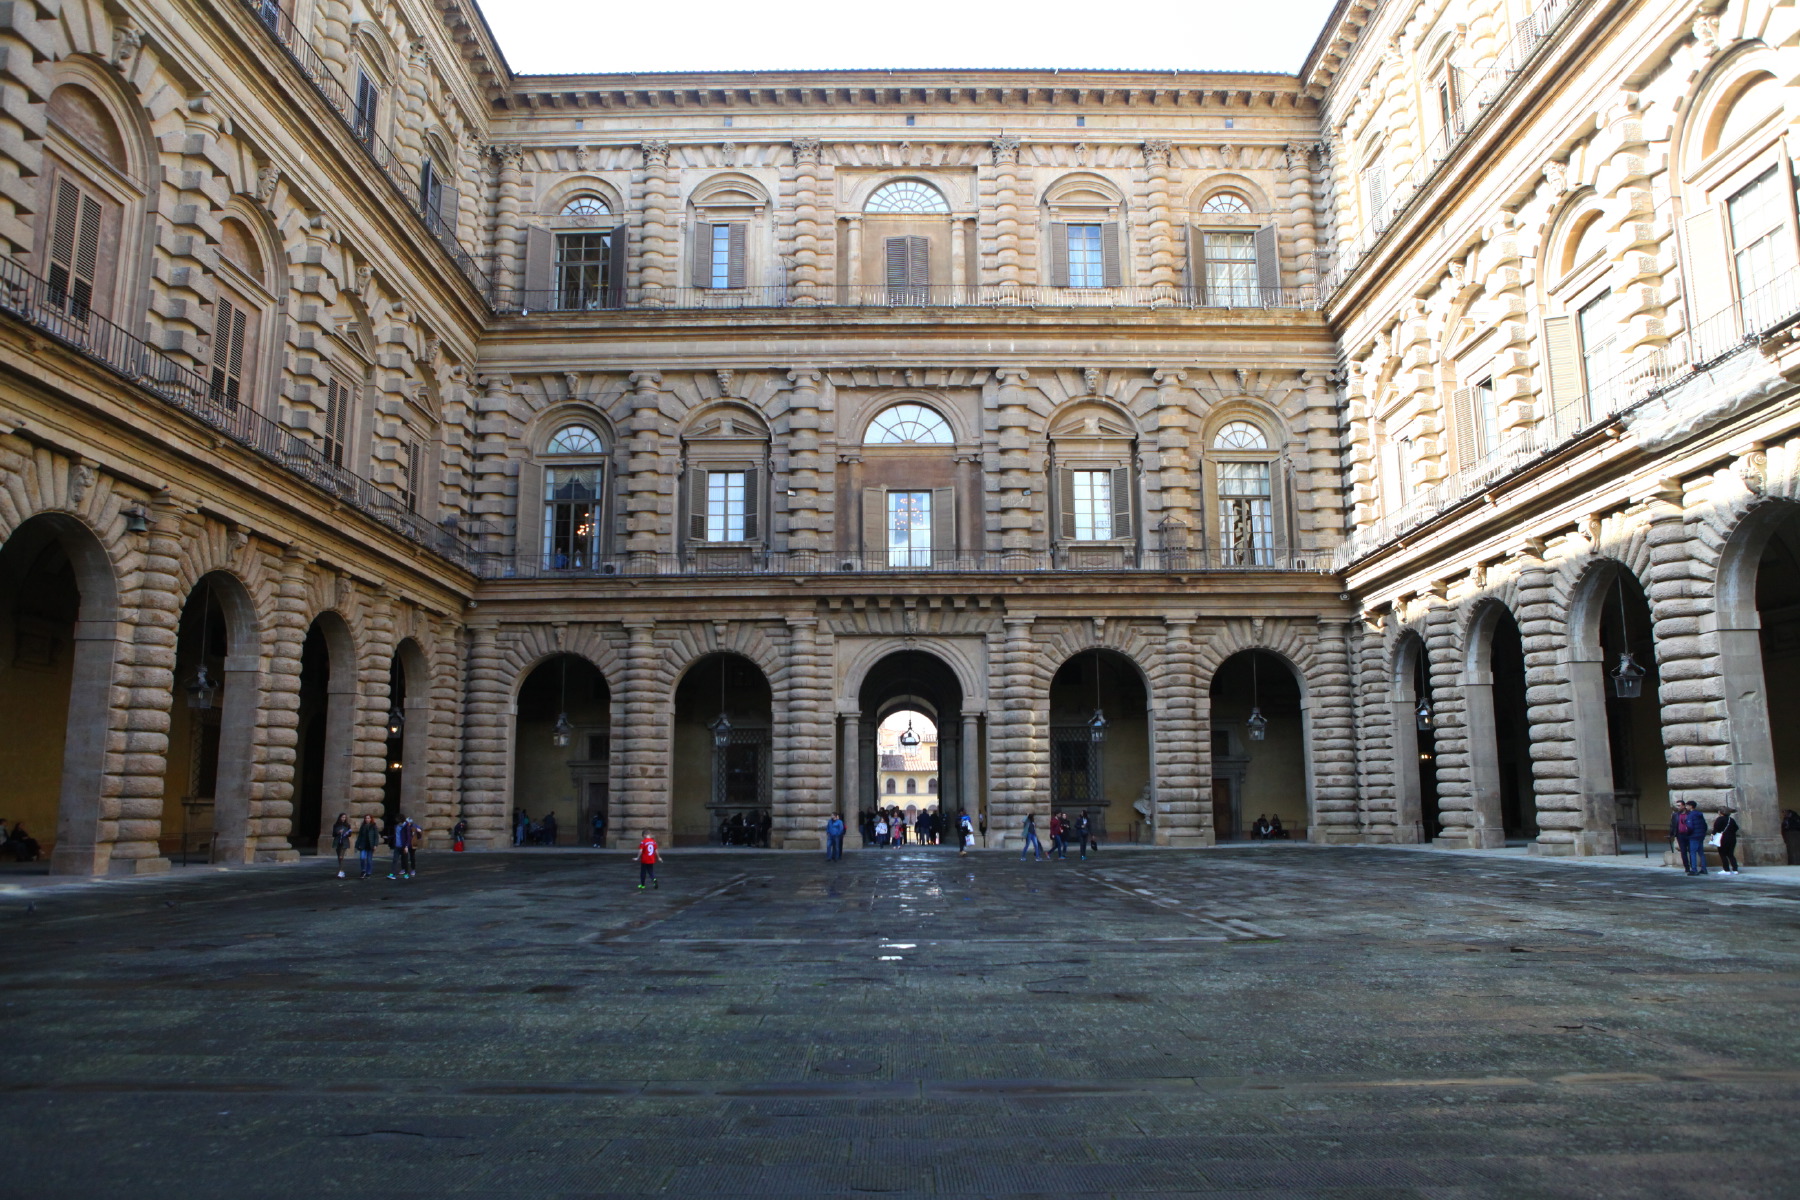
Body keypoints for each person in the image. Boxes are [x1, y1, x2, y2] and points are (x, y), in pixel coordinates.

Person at [1681, 801, 1709, 875]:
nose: (1686, 807)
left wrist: (1687, 833)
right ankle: (1704, 868)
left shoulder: (1690, 815)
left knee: (1692, 853)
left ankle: (1694, 869)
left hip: (1693, 836)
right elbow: (1705, 825)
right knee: (1701, 853)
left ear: (1691, 806)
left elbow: (1690, 826)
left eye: (1687, 806)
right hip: (1701, 835)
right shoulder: (1699, 814)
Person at [1713, 806, 1741, 875]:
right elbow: (1736, 828)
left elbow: (1716, 829)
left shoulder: (1719, 819)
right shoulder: (1731, 819)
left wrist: (1712, 835)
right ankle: (1735, 869)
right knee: (1731, 854)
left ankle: (1726, 870)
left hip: (1723, 838)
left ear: (1720, 812)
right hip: (1732, 838)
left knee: (1723, 854)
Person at [354, 815, 380, 879]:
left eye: (368, 818)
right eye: (366, 818)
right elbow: (359, 836)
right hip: (363, 845)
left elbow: (376, 836)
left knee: (369, 860)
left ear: (371, 819)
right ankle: (363, 870)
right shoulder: (363, 826)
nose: (367, 819)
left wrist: (375, 845)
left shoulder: (374, 826)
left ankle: (368, 872)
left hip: (370, 845)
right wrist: (356, 845)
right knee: (362, 858)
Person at [330, 813, 352, 878]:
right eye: (342, 817)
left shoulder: (347, 825)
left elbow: (350, 834)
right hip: (338, 842)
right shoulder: (336, 825)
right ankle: (341, 871)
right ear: (340, 818)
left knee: (341, 857)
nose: (343, 818)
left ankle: (341, 871)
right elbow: (333, 834)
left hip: (344, 842)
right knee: (339, 858)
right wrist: (338, 832)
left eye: (344, 817)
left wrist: (346, 833)